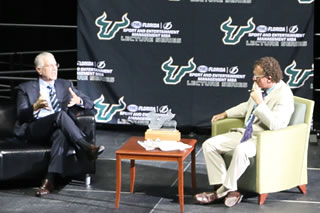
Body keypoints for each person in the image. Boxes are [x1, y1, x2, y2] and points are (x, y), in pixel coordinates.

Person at [194, 56, 294, 207]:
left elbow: (276, 125)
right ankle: (231, 190)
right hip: (246, 132)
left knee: (241, 150)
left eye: (257, 76)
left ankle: (218, 193)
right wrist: (226, 113)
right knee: (209, 145)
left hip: (263, 138)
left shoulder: (284, 95)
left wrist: (260, 101)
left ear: (269, 78)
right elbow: (247, 106)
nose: (254, 79)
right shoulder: (261, 87)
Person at [15, 52, 104, 197]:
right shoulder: (25, 88)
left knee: (61, 135)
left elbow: (90, 102)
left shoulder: (65, 85)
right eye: (49, 66)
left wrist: (78, 101)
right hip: (35, 129)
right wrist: (35, 107)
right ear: (39, 70)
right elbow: (21, 116)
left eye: (55, 65)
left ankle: (49, 181)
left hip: (57, 129)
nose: (54, 69)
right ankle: (86, 147)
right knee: (60, 115)